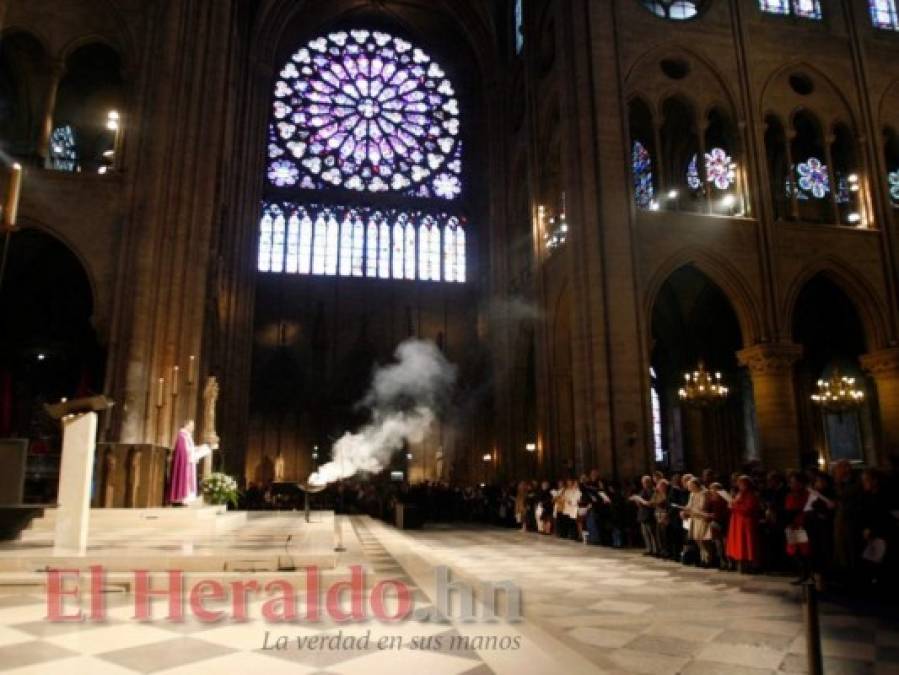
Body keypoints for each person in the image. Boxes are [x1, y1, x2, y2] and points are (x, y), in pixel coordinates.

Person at [168, 419, 213, 506]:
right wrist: (198, 450)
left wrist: (203, 447)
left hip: (189, 463)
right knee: (185, 481)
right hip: (185, 464)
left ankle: (186, 499)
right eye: (191, 426)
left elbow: (190, 449)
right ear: (186, 425)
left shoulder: (187, 436)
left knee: (189, 483)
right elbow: (183, 451)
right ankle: (181, 499)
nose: (193, 428)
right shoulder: (182, 436)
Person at [726, 475, 761, 573]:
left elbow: (748, 510)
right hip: (738, 522)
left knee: (747, 544)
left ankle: (752, 565)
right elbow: (737, 505)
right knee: (740, 544)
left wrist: (733, 506)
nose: (740, 486)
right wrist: (732, 504)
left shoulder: (751, 495)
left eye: (742, 484)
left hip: (746, 523)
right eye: (739, 484)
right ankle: (742, 565)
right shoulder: (739, 494)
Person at [784, 472, 813, 585]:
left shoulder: (807, 495)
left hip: (801, 526)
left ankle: (807, 575)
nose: (791, 484)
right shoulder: (790, 495)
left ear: (800, 483)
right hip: (791, 526)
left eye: (793, 482)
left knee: (803, 552)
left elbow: (807, 510)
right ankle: (801, 574)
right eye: (790, 482)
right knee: (794, 552)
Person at [632, 475, 658, 555]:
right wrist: (637, 501)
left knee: (652, 533)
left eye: (645, 482)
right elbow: (640, 502)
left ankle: (655, 550)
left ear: (649, 482)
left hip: (649, 514)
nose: (644, 484)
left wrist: (640, 499)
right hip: (642, 514)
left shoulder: (653, 491)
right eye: (643, 482)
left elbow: (651, 503)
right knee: (645, 533)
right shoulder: (643, 490)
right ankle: (649, 549)